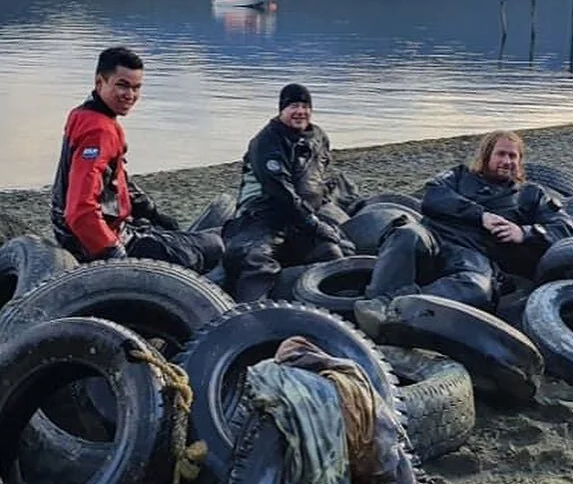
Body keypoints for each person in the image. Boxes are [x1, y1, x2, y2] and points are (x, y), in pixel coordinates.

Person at [356, 130, 573, 321]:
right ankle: (375, 304)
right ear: (486, 155)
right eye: (500, 154)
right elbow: (432, 197)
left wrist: (524, 232)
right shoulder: (458, 175)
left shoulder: (531, 194)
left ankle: (398, 306)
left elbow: (563, 227)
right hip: (434, 237)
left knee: (477, 289)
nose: (507, 161)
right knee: (405, 234)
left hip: (474, 255)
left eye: (513, 156)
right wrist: (480, 216)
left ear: (520, 161)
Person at [51, 46, 220, 272]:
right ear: (100, 82)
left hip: (81, 233)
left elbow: (114, 179)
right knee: (211, 247)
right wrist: (115, 254)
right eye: (122, 85)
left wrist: (152, 213)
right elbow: (80, 211)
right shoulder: (100, 131)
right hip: (96, 243)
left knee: (182, 235)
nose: (130, 95)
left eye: (136, 87)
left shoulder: (83, 115)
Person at [222, 83, 356, 301]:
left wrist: (323, 210)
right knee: (255, 259)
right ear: (281, 110)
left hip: (302, 218)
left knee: (332, 253)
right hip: (264, 214)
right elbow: (279, 190)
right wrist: (312, 223)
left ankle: (336, 307)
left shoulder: (318, 137)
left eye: (305, 106)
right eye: (294, 106)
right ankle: (249, 312)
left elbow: (320, 176)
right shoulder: (266, 141)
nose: (300, 112)